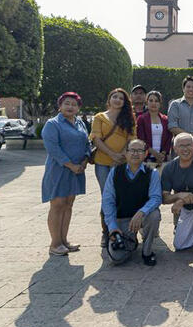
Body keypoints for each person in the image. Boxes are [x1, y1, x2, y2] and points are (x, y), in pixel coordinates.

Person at [41, 92, 91, 256]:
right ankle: (55, 243)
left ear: (78, 108)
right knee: (58, 204)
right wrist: (70, 165)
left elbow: (87, 144)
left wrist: (84, 161)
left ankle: (64, 240)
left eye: (74, 104)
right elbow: (53, 148)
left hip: (77, 170)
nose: (70, 107)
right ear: (60, 106)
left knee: (69, 204)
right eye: (67, 103)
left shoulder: (80, 123)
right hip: (59, 170)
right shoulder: (52, 124)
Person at [102, 139, 162, 266]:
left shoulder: (152, 173)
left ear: (146, 154)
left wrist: (141, 212)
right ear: (126, 153)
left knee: (154, 215)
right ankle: (131, 240)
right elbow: (108, 201)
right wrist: (112, 227)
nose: (136, 153)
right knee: (117, 258)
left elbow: (156, 198)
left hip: (142, 217)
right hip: (122, 218)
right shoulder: (115, 172)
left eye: (140, 150)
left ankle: (147, 252)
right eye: (132, 150)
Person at [90, 88, 137, 249]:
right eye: (114, 97)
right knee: (107, 197)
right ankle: (107, 232)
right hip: (103, 163)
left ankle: (121, 230)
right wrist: (112, 154)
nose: (117, 100)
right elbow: (96, 139)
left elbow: (131, 139)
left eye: (121, 98)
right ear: (109, 100)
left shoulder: (129, 118)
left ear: (125, 103)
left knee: (120, 196)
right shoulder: (99, 117)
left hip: (121, 164)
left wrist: (121, 155)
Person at [167, 76, 193, 152]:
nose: (191, 89)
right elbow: (172, 127)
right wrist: (190, 136)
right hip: (180, 147)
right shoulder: (175, 105)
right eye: (188, 87)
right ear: (183, 89)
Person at [137, 90, 172, 167]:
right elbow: (141, 139)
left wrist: (162, 154)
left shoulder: (165, 119)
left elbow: (169, 138)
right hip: (146, 158)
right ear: (147, 102)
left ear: (160, 104)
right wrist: (155, 154)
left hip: (162, 159)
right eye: (151, 100)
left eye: (156, 101)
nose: (153, 103)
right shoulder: (141, 119)